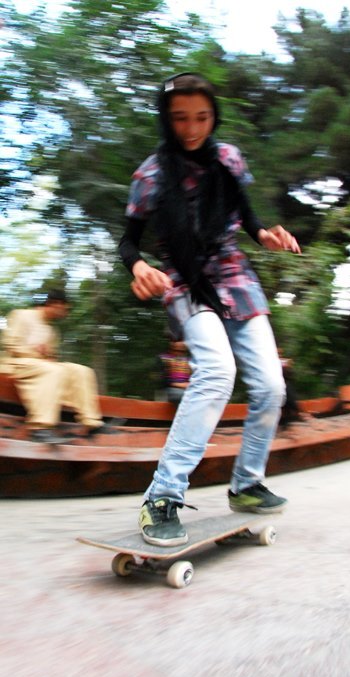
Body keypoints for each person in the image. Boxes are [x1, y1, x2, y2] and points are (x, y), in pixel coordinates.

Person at [119, 72, 301, 547]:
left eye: (201, 117)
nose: (192, 128)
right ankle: (162, 497)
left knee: (270, 384)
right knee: (217, 372)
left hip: (234, 273)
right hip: (183, 278)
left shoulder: (228, 159)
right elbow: (128, 240)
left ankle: (246, 484)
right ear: (167, 119)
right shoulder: (151, 175)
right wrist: (138, 266)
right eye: (180, 119)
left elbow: (249, 215)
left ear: (213, 115)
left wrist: (266, 235)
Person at [0, 289, 111, 443]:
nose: (65, 312)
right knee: (53, 370)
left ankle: (92, 423)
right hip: (16, 363)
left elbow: (51, 357)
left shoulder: (52, 331)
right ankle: (40, 427)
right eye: (65, 308)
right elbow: (11, 344)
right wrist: (36, 354)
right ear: (54, 304)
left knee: (82, 371)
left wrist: (46, 356)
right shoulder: (22, 315)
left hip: (40, 365)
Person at [157, 336, 191, 404]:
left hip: (189, 389)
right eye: (177, 350)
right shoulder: (163, 359)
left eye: (182, 351)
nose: (179, 353)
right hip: (173, 389)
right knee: (182, 396)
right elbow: (160, 380)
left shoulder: (190, 361)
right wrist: (178, 384)